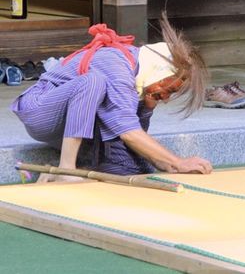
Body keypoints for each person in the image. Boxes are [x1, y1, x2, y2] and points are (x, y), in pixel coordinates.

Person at [11, 15, 212, 181]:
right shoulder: (118, 64)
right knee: (93, 82)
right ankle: (66, 169)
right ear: (159, 72)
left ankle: (59, 173)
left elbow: (132, 133)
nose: (166, 98)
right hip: (40, 110)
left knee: (135, 166)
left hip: (71, 121)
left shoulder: (137, 75)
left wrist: (147, 108)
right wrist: (176, 162)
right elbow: (127, 131)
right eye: (169, 89)